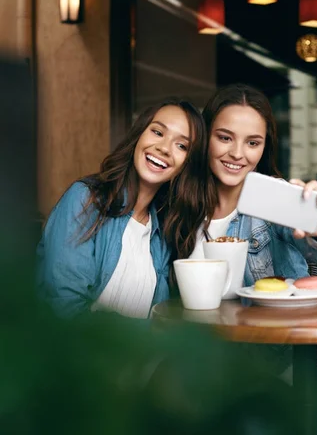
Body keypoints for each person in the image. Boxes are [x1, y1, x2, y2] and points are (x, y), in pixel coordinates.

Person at [190, 83, 317, 435]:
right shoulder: (179, 214)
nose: (237, 154)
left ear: (263, 148)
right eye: (224, 138)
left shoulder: (274, 199)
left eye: (252, 143)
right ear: (206, 138)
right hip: (249, 372)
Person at [37, 99, 207, 318]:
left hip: (145, 353)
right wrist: (147, 337)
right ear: (139, 135)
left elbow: (160, 317)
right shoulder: (86, 199)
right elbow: (64, 306)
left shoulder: (162, 232)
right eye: (157, 132)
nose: (164, 148)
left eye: (181, 146)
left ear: (187, 164)